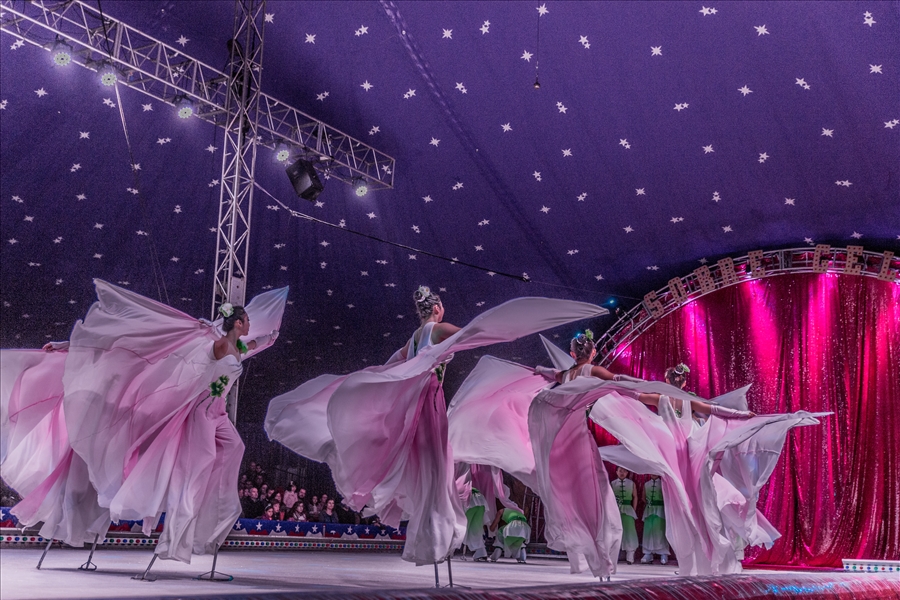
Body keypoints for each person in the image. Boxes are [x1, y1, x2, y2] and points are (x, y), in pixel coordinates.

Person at [266, 289, 607, 569]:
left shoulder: (414, 337)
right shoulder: (437, 330)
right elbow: (472, 334)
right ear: (438, 309)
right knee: (435, 471)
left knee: (431, 472)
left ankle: (432, 536)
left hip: (417, 404)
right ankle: (435, 537)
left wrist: (380, 382)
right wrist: (506, 328)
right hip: (428, 402)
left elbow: (393, 363)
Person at [60, 281, 286, 564]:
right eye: (248, 320)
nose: (251, 324)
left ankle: (217, 510)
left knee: (235, 448)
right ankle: (175, 538)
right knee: (194, 472)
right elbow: (172, 349)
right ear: (238, 322)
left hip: (219, 413)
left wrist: (270, 338)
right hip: (202, 412)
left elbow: (252, 346)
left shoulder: (236, 346)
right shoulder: (217, 344)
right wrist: (68, 347)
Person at [612, 467, 639, 564]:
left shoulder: (631, 483)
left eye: (624, 471)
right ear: (616, 472)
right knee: (615, 531)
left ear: (627, 473)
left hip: (628, 510)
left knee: (629, 531)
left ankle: (630, 555)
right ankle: (614, 554)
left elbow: (635, 497)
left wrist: (633, 509)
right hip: (616, 510)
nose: (622, 473)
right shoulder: (612, 483)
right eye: (620, 471)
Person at [640, 475, 668, 565]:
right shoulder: (646, 484)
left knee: (660, 531)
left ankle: (663, 553)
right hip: (649, 510)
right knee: (648, 531)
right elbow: (643, 497)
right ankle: (648, 553)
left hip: (660, 510)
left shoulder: (663, 483)